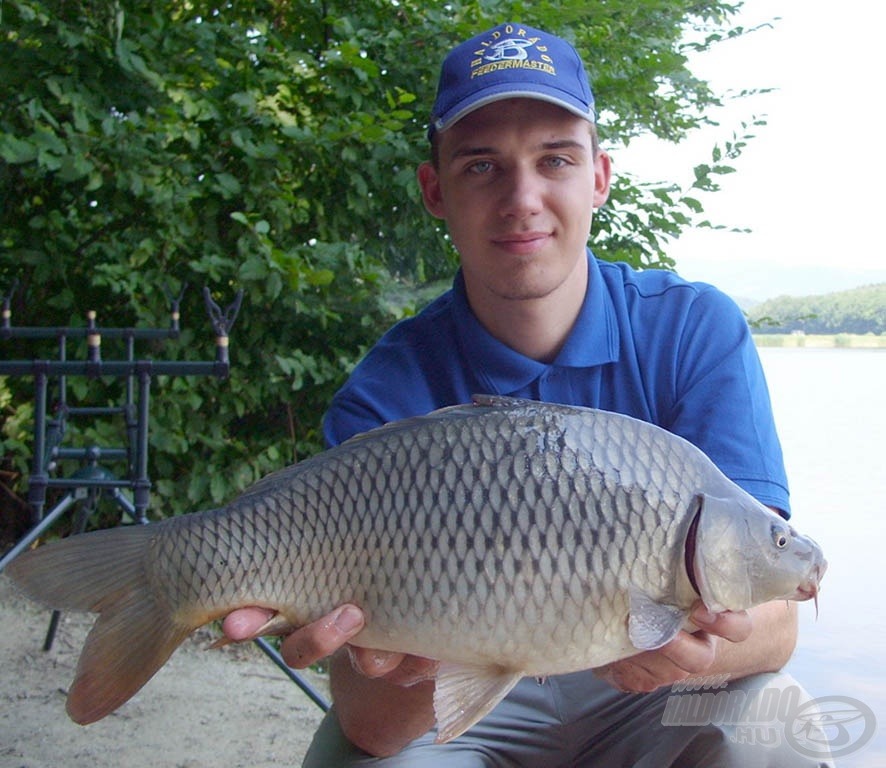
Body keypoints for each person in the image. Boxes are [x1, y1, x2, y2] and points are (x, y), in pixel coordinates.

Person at [223, 22, 832, 767]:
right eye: (483, 166)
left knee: (777, 730)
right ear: (434, 189)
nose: (523, 198)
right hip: (457, 684)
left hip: (656, 696)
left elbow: (776, 626)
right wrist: (401, 661)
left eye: (555, 160)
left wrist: (693, 649)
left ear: (599, 176)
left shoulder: (692, 329)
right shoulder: (390, 387)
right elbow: (374, 725)